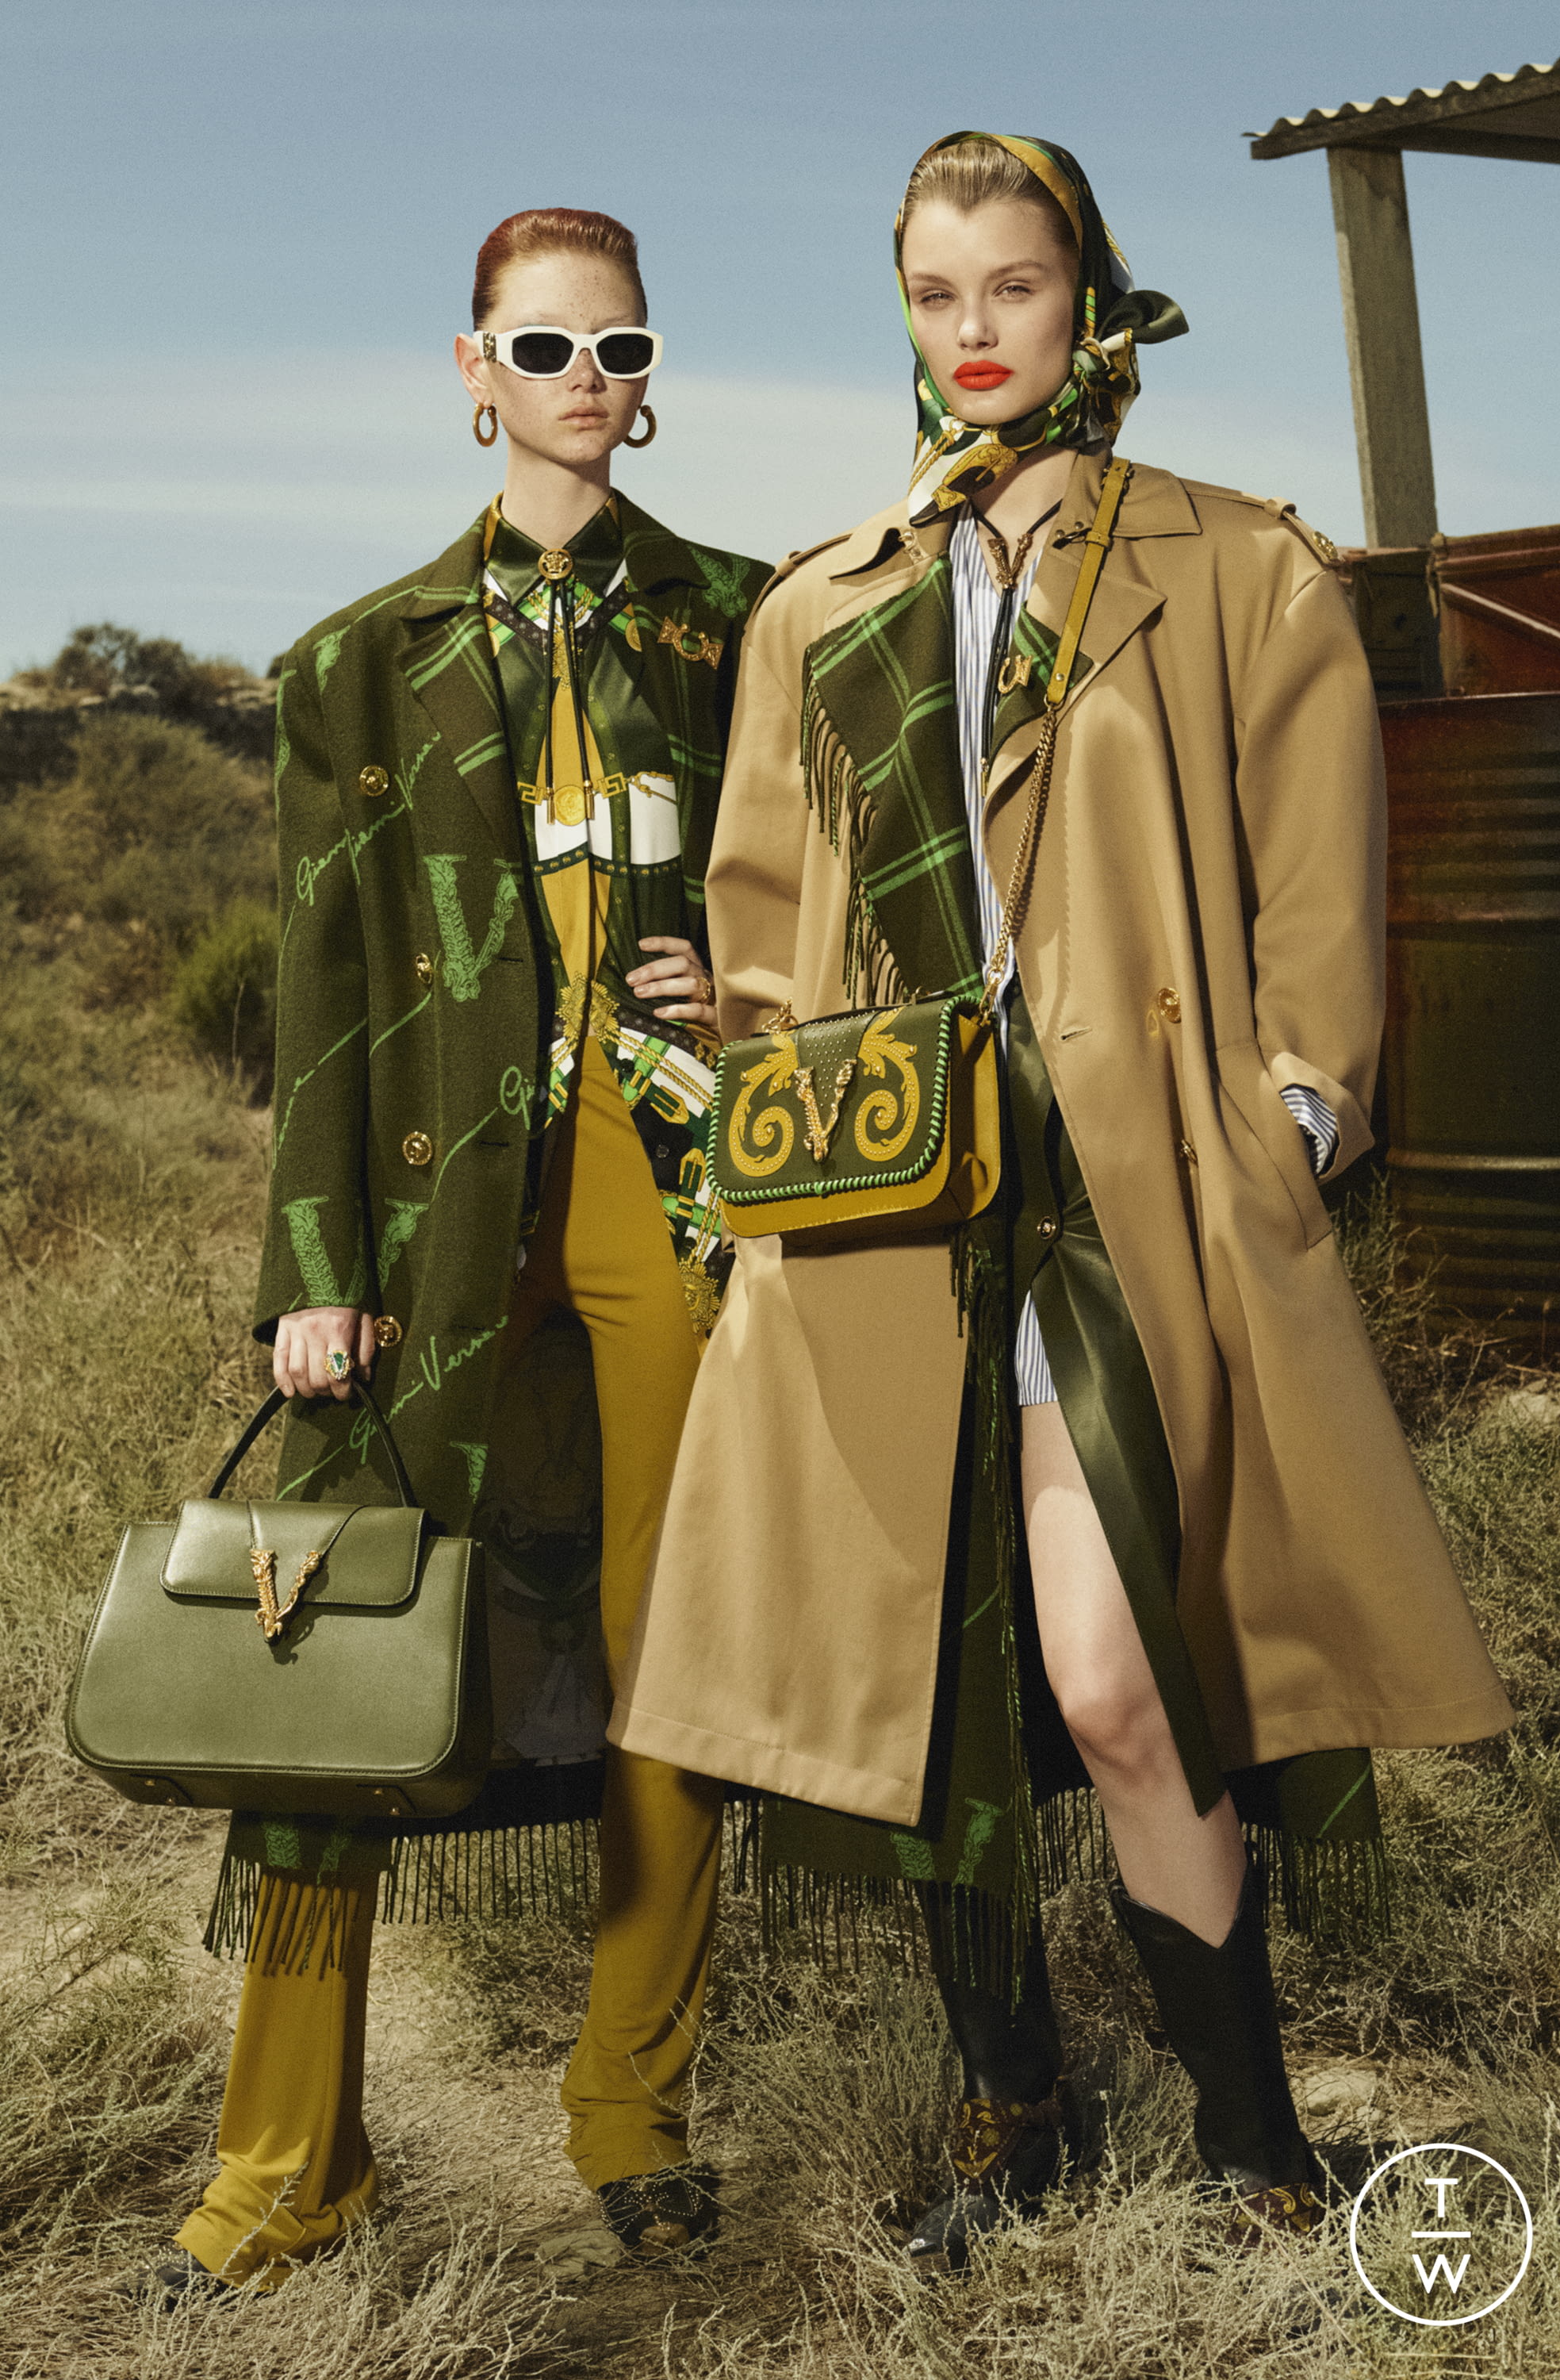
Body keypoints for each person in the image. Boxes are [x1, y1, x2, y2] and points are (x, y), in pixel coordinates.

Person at [610, 133, 1514, 2263]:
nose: (976, 332)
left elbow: (1323, 903)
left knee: (1117, 1684)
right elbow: (771, 918)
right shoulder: (826, 602)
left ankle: (1254, 2143)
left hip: (1132, 1197)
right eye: (938, 295)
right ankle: (1010, 2111)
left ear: (1087, 296)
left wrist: (1290, 1124)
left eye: (1014, 286)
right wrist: (747, 1046)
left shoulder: (1238, 566)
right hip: (891, 1205)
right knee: (931, 1692)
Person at [149, 205, 772, 2302]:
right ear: (472, 366)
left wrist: (750, 989)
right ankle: (282, 2172)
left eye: (621, 347)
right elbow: (323, 982)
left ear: (649, 372)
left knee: (683, 1642)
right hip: (426, 1208)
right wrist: (311, 1263)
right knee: (330, 1646)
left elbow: (830, 891)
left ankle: (632, 2112)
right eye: (545, 344)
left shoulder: (744, 622)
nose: (586, 379)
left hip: (670, 1183)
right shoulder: (356, 660)